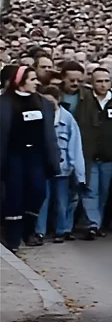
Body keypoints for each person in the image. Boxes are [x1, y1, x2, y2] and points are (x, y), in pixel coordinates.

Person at [0, 67, 60, 253]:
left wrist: (54, 155)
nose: (37, 82)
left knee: (38, 191)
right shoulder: (4, 103)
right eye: (32, 79)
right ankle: (13, 238)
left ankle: (29, 227)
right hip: (13, 155)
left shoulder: (42, 102)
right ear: (20, 81)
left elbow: (49, 133)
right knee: (15, 195)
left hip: (37, 155)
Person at [34, 86, 86, 244]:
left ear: (58, 100)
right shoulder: (38, 117)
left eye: (51, 101)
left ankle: (61, 230)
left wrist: (77, 168)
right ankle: (39, 231)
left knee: (62, 202)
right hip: (43, 167)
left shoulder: (68, 118)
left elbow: (75, 144)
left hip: (63, 169)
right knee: (42, 201)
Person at [81, 68, 112, 240]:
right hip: (90, 155)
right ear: (92, 83)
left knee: (104, 191)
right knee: (90, 190)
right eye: (99, 81)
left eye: (106, 81)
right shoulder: (84, 101)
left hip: (111, 155)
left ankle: (98, 222)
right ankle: (92, 224)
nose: (103, 84)